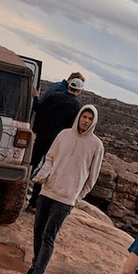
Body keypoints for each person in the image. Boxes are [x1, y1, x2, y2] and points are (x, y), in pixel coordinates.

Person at [22, 104, 103, 274]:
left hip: (66, 199)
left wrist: (76, 196)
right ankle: (35, 266)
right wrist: (44, 175)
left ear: (94, 122)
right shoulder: (64, 135)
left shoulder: (96, 145)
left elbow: (92, 178)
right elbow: (49, 158)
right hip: (48, 191)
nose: (86, 121)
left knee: (49, 236)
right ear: (79, 117)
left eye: (90, 119)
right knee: (38, 232)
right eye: (84, 117)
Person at [27, 74, 85, 211]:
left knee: (31, 164)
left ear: (69, 86)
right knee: (45, 170)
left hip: (41, 137)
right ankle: (33, 203)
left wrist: (35, 96)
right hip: (57, 143)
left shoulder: (54, 96)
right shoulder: (77, 107)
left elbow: (37, 108)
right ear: (79, 91)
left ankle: (18, 191)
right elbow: (74, 129)